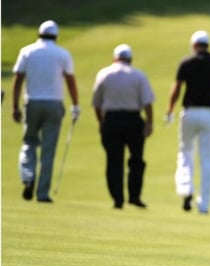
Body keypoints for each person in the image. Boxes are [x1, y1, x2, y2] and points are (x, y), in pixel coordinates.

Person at [11, 20, 80, 203]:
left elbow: (18, 79)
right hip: (54, 105)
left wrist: (15, 106)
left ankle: (28, 177)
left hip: (32, 103)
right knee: (48, 150)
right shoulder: (62, 54)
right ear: (56, 36)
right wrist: (75, 106)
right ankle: (42, 193)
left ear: (39, 34)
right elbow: (71, 82)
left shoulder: (27, 51)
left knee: (29, 143)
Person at [166, 30, 210, 215]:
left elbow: (177, 88)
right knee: (207, 159)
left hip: (189, 113)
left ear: (194, 45)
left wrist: (170, 109)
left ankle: (186, 189)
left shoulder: (186, 62)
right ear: (207, 45)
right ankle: (203, 205)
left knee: (186, 152)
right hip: (209, 114)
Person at [92, 44, 155, 209]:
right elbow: (147, 102)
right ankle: (134, 196)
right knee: (136, 160)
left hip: (111, 120)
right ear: (130, 59)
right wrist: (149, 122)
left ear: (114, 58)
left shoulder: (104, 74)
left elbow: (97, 104)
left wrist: (101, 122)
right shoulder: (139, 75)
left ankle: (117, 199)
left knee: (114, 161)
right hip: (133, 120)